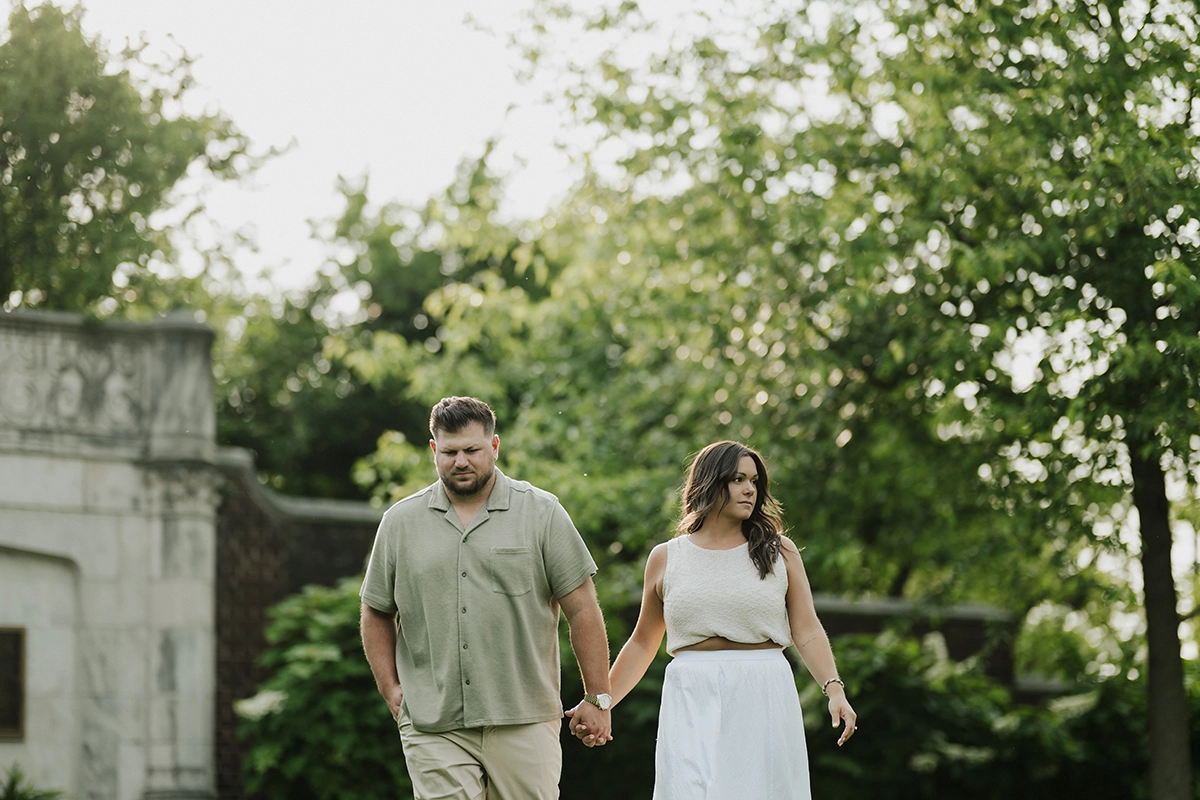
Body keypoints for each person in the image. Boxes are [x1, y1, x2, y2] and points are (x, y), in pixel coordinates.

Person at [568, 440, 856, 798]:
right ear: (709, 483)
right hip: (690, 692)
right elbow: (643, 642)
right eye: (737, 479)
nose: (750, 489)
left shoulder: (778, 550)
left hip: (762, 688)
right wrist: (600, 702)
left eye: (754, 481)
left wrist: (834, 689)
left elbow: (807, 628)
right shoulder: (666, 557)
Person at [360, 396, 613, 800]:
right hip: (433, 723)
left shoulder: (542, 512)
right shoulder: (400, 523)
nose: (461, 461)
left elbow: (582, 609)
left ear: (494, 447)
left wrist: (598, 696)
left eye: (472, 450)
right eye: (450, 452)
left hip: (525, 718)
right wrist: (392, 690)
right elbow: (375, 611)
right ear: (433, 451)